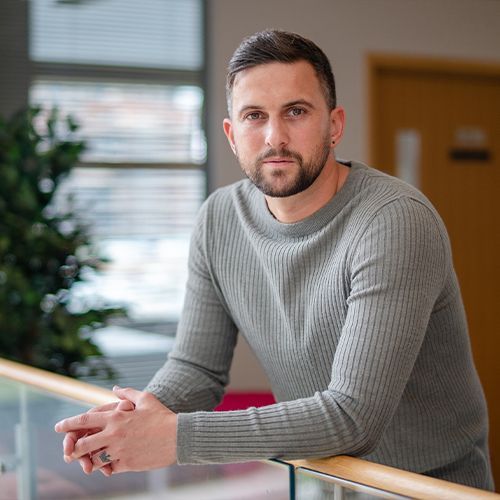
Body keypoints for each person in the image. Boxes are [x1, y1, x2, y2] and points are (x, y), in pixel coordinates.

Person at [55, 30, 494, 490]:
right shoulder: (220, 218)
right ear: (231, 133)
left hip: (428, 490)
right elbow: (196, 369)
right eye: (254, 116)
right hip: (318, 482)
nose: (275, 137)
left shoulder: (394, 221)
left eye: (296, 112)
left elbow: (352, 416)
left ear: (335, 124)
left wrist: (174, 437)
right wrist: (131, 421)